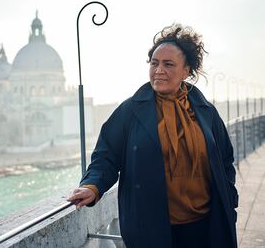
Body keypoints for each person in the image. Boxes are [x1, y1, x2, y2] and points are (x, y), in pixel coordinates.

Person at [68, 24, 238, 248]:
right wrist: (92, 186)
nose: (159, 70)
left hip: (206, 225)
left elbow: (224, 158)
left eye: (169, 64)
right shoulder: (130, 110)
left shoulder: (205, 110)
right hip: (152, 228)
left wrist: (229, 198)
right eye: (154, 63)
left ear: (187, 70)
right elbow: (106, 156)